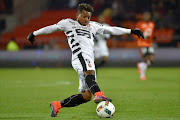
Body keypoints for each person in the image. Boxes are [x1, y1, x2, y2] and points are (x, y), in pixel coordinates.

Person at [27, 3, 144, 117]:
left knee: (86, 96)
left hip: (89, 58)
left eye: (88, 17)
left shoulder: (93, 26)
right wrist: (34, 33)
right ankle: (98, 94)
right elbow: (52, 28)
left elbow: (112, 30)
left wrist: (131, 31)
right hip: (79, 56)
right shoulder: (68, 23)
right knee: (89, 73)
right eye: (84, 16)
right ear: (77, 14)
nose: (86, 19)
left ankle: (57, 105)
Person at [136, 12, 155, 80]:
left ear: (150, 16)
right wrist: (142, 37)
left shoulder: (152, 24)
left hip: (150, 43)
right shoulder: (140, 24)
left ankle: (141, 65)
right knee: (145, 59)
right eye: (145, 16)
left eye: (148, 16)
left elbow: (152, 34)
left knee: (152, 60)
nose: (147, 17)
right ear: (143, 17)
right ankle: (142, 75)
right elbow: (136, 33)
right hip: (142, 43)